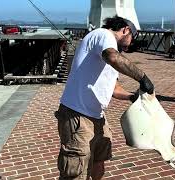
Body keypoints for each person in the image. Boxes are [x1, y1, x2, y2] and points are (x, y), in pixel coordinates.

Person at [55, 16, 154, 180]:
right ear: (126, 30)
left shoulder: (111, 52)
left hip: (98, 117)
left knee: (99, 163)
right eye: (132, 39)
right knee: (75, 171)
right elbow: (113, 57)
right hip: (77, 115)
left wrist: (132, 96)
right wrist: (143, 78)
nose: (130, 45)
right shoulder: (104, 35)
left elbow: (114, 89)